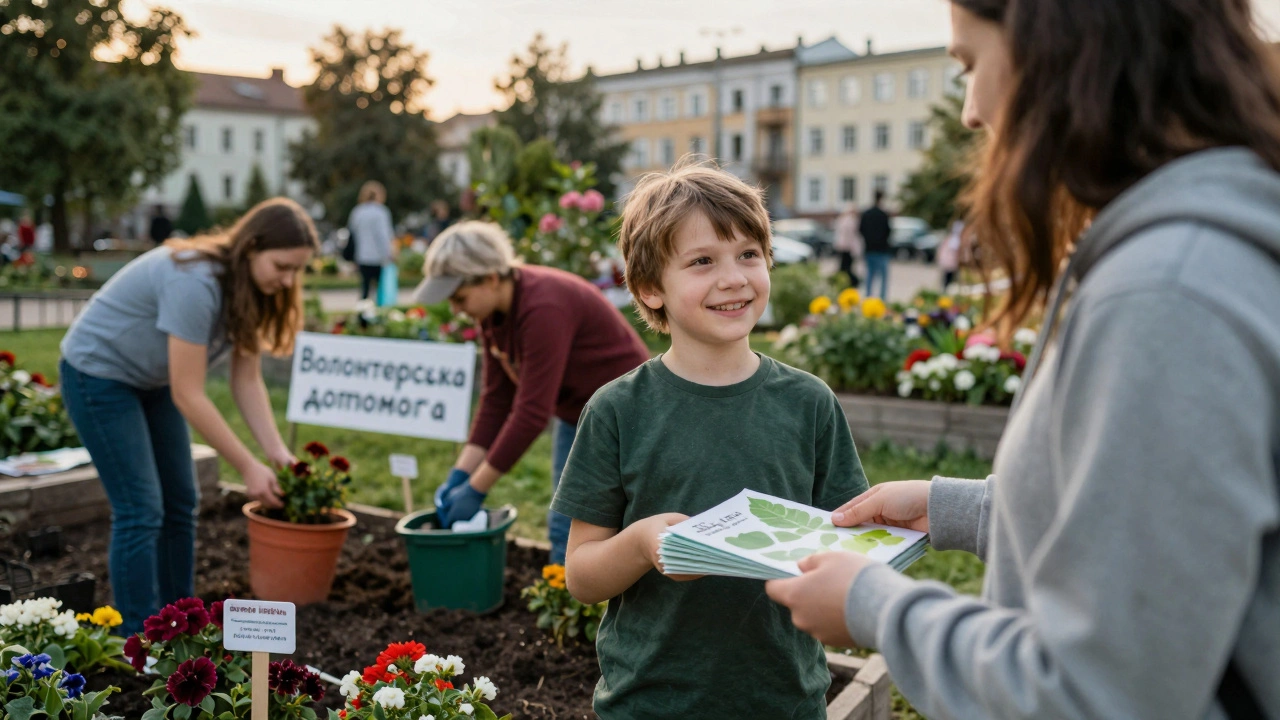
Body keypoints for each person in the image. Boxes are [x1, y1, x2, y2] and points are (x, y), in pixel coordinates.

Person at [765, 1, 1280, 718]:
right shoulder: (1198, 256)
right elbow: (1165, 532)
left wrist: (875, 607)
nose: (971, 112)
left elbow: (1097, 694)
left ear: (1062, 50)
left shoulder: (1168, 294)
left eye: (971, 64)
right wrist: (965, 510)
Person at [550, 163, 870, 717]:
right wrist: (642, 543)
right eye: (702, 261)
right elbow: (581, 575)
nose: (734, 278)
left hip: (784, 699)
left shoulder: (809, 403)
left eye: (749, 254)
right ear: (650, 288)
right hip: (650, 702)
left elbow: (846, 539)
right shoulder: (617, 411)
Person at [58, 198, 319, 635]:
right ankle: (138, 640)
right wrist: (246, 466)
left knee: (182, 502)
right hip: (97, 374)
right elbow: (189, 394)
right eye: (282, 265)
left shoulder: (250, 288)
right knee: (141, 508)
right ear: (251, 246)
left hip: (150, 379)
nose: (289, 279)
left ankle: (180, 624)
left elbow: (247, 382)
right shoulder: (195, 281)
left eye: (298, 270)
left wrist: (276, 454)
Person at [415, 221, 649, 562]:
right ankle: (567, 608)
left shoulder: (542, 308)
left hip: (629, 415)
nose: (455, 309)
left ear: (491, 278)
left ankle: (576, 607)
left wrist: (477, 489)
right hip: (579, 414)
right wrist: (460, 475)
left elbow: (531, 414)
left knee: (580, 525)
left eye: (459, 297)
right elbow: (496, 401)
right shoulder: (493, 313)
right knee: (566, 528)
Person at [348, 181, 395, 301]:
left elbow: (353, 234)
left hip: (362, 256)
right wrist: (389, 254)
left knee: (365, 288)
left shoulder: (357, 212)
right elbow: (383, 236)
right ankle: (379, 315)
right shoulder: (381, 212)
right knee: (381, 290)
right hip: (378, 257)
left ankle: (363, 314)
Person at [858, 190, 892, 299]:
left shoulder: (866, 214)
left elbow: (861, 230)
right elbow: (888, 231)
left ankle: (868, 297)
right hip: (882, 249)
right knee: (883, 277)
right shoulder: (883, 214)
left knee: (869, 275)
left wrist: (868, 239)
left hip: (869, 248)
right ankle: (882, 299)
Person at [832, 203, 863, 288]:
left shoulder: (841, 220)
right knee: (847, 267)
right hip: (848, 247)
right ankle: (852, 282)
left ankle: (842, 282)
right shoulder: (851, 221)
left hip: (843, 246)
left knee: (844, 267)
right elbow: (850, 236)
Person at [937, 218, 965, 290]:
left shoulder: (954, 239)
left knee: (950, 279)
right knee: (949, 278)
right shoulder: (954, 239)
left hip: (951, 262)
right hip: (951, 262)